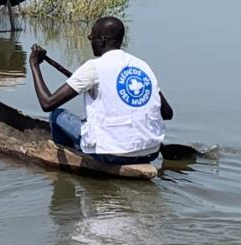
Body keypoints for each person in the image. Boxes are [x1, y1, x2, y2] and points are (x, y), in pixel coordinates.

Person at [28, 16, 173, 165]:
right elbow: (167, 113)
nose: (91, 42)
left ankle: (68, 164)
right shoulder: (143, 66)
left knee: (56, 115)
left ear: (102, 40)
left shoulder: (94, 67)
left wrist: (34, 65)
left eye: (92, 38)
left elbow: (47, 103)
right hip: (150, 152)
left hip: (112, 154)